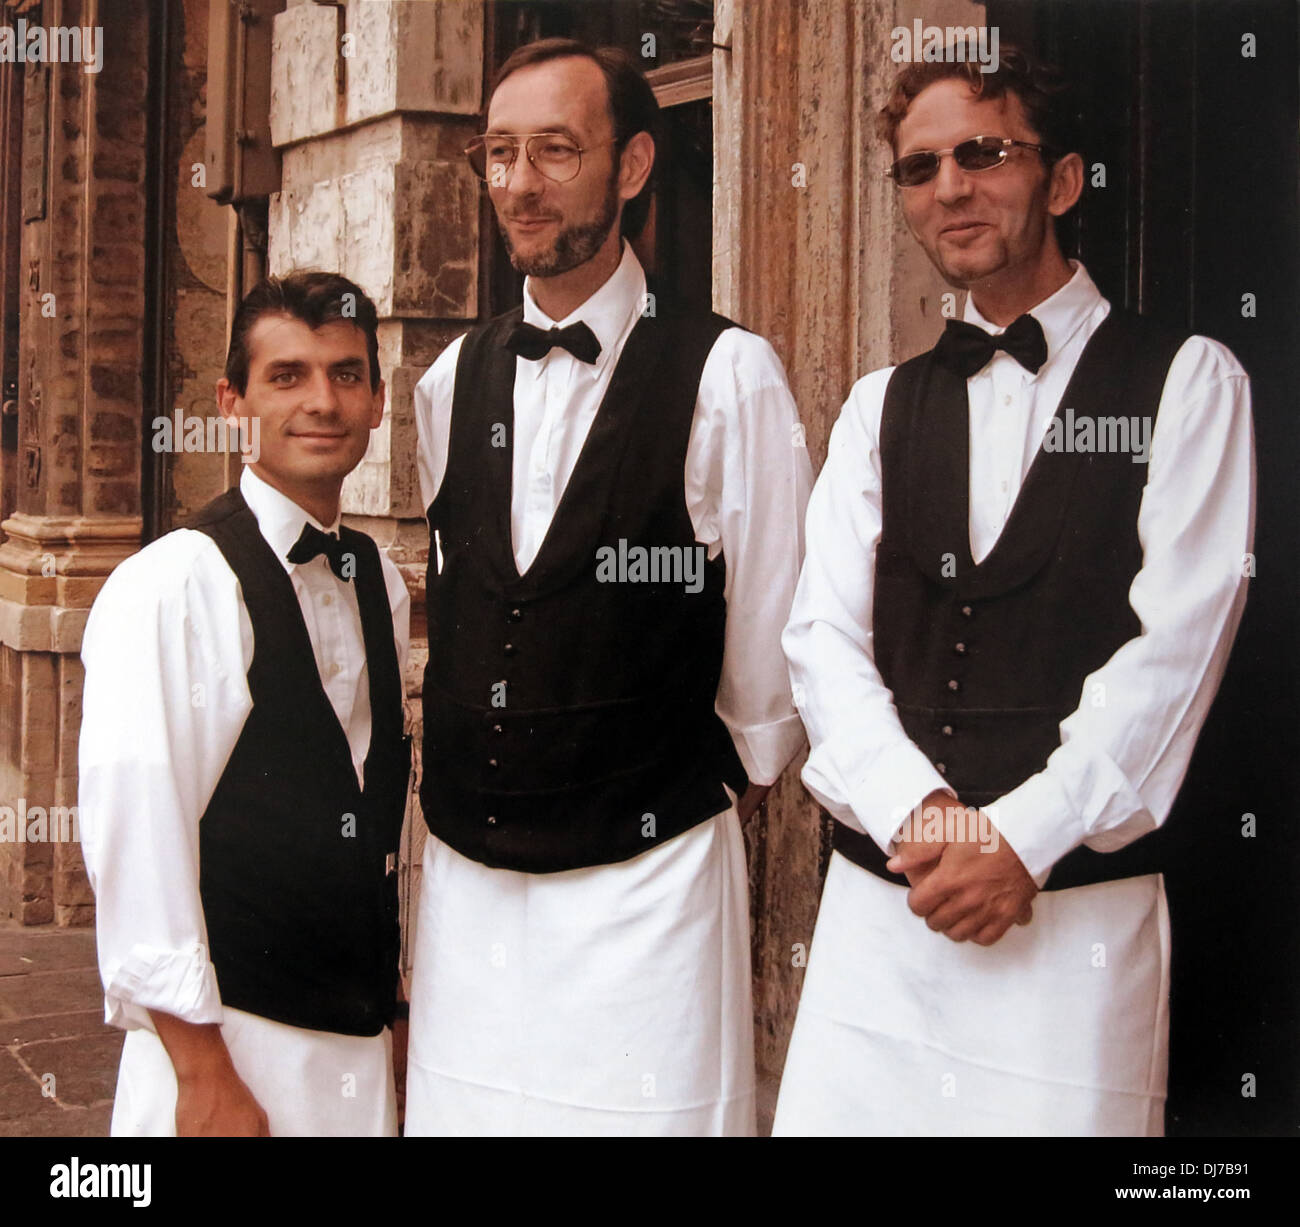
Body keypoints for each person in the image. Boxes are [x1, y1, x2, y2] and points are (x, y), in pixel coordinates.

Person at [774, 47, 1254, 1136]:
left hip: (1070, 925)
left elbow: (1174, 650)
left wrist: (1022, 839)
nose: (949, 187)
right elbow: (821, 641)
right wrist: (924, 813)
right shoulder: (876, 407)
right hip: (881, 914)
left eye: (983, 154)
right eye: (919, 166)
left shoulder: (1186, 380)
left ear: (1065, 180)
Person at [406, 37, 811, 1136]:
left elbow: (772, 644)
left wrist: (709, 786)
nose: (520, 184)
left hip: (649, 886)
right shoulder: (449, 383)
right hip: (469, 888)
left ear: (631, 167)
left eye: (554, 151)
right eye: (498, 154)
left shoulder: (731, 376)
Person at [79, 272, 411, 1136]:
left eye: (345, 374)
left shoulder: (380, 577)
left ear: (378, 401)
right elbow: (138, 833)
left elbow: (369, 818)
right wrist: (202, 1072)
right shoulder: (171, 583)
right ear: (232, 400)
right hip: (230, 1047)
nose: (322, 402)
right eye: (287, 375)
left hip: (354, 1052)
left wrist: (394, 1006)